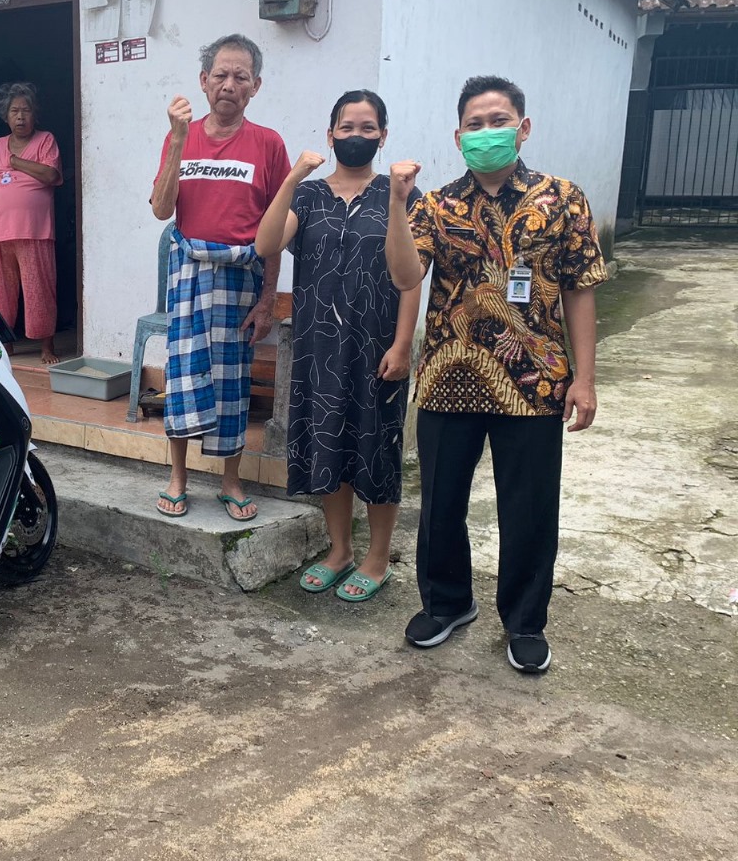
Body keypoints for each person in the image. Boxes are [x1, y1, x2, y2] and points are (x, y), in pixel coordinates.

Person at [385, 75, 608, 673]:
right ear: (458, 137)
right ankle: (448, 603)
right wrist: (397, 205)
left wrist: (584, 378)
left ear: (523, 128)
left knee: (529, 508)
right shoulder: (435, 205)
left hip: (535, 381)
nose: (488, 132)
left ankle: (525, 621)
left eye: (499, 120)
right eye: (475, 124)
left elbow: (580, 289)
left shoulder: (562, 199)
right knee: (440, 503)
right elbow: (406, 276)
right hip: (448, 375)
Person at [255, 90, 422, 601]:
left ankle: (377, 558)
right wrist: (291, 178)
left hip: (378, 345)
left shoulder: (402, 194)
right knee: (329, 444)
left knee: (377, 448)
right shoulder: (307, 196)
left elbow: (411, 279)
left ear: (383, 136)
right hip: (319, 346)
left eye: (367, 128)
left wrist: (403, 344)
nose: (356, 136)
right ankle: (340, 550)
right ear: (330, 135)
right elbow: (265, 244)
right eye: (347, 128)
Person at [150, 34, 290, 521]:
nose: (229, 84)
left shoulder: (268, 144)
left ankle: (231, 480)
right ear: (204, 81)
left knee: (233, 382)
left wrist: (268, 299)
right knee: (182, 376)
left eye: (240, 77)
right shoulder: (180, 137)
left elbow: (276, 230)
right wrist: (177, 141)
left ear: (256, 86)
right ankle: (178, 477)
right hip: (188, 276)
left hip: (241, 280)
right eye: (221, 75)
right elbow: (162, 209)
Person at [0, 82, 64, 364]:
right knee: (3, 293)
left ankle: (46, 346)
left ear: (35, 114)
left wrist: (15, 162)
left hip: (34, 231)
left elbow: (51, 175)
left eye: (26, 110)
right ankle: (6, 342)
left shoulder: (45, 140)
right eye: (14, 111)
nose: (21, 116)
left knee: (39, 289)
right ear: (6, 115)